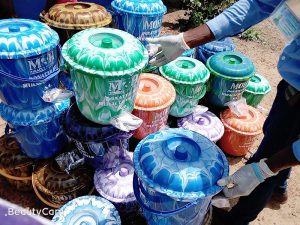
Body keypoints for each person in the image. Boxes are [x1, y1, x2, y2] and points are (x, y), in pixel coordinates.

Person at [147, 0, 300, 224]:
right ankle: (279, 186)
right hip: (294, 82)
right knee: (278, 134)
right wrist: (184, 41)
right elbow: (257, 4)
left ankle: (235, 218)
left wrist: (266, 169)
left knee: (265, 161)